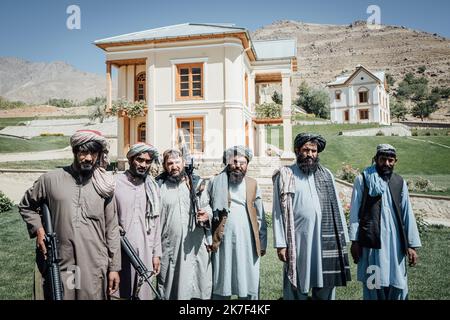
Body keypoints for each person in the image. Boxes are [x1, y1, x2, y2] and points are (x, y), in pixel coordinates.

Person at [18, 129, 120, 300]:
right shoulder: (50, 180)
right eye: (83, 152)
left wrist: (115, 268)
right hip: (62, 262)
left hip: (94, 265)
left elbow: (112, 228)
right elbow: (26, 205)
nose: (88, 158)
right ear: (74, 151)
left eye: (93, 153)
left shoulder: (105, 186)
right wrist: (38, 229)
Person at [272, 133, 351, 300]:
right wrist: (281, 244)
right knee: (297, 283)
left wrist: (342, 236)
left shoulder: (326, 174)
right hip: (298, 239)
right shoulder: (286, 174)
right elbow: (278, 212)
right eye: (306, 150)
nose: (310, 154)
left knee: (326, 281)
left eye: (313, 151)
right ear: (297, 150)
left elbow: (336, 205)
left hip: (325, 239)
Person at [349, 144, 421, 300]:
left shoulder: (399, 182)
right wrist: (355, 241)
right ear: (376, 159)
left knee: (398, 283)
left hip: (395, 245)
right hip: (372, 244)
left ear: (395, 161)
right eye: (383, 160)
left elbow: (407, 213)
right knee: (373, 285)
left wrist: (412, 245)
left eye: (390, 160)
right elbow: (355, 212)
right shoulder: (363, 179)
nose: (387, 164)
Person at [209, 146, 267, 300]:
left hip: (247, 240)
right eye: (234, 161)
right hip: (222, 240)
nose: (238, 166)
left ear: (247, 165)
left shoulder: (253, 184)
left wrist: (262, 242)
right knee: (222, 276)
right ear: (227, 163)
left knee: (247, 277)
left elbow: (260, 216)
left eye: (243, 163)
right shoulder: (215, 182)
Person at [156, 148, 212, 300]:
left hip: (195, 244)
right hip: (169, 245)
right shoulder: (159, 186)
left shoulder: (195, 183)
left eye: (177, 162)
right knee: (170, 286)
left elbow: (207, 206)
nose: (174, 166)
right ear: (164, 165)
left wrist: (207, 214)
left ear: (184, 163)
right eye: (170, 163)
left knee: (197, 283)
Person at [114, 142, 161, 300]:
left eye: (148, 162)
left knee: (143, 293)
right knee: (120, 293)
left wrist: (156, 254)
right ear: (130, 159)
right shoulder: (115, 184)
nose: (143, 165)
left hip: (145, 250)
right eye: (139, 160)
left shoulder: (152, 187)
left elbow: (156, 224)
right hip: (120, 250)